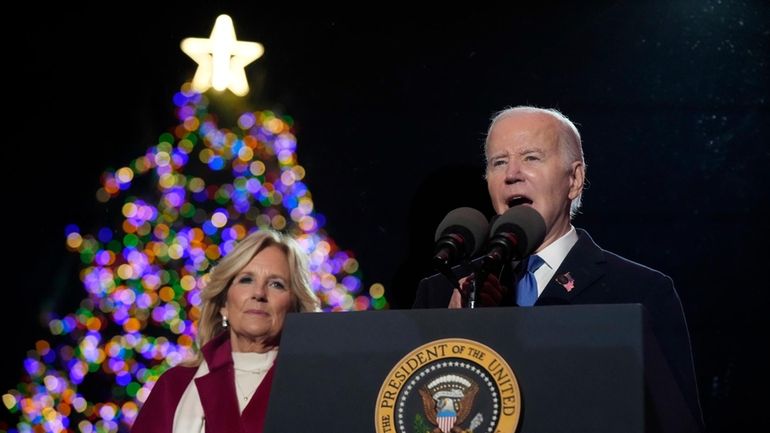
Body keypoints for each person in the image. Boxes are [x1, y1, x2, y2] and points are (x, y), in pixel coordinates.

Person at [413, 106, 703, 430]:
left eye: (531, 158)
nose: (512, 174)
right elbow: (415, 414)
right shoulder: (441, 293)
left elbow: (677, 424)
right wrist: (452, 337)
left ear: (575, 179)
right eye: (498, 162)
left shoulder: (639, 292)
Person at [132, 229, 320, 433]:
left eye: (276, 284)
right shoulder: (174, 386)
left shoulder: (315, 389)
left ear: (294, 307)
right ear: (224, 303)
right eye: (246, 279)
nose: (259, 293)